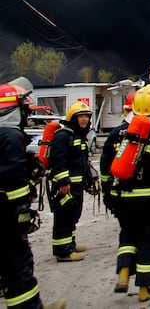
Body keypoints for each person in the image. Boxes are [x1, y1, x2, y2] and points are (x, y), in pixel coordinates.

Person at [0, 81, 66, 309]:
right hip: (7, 216)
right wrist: (22, 212)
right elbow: (13, 181)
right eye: (24, 109)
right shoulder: (10, 136)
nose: (27, 113)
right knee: (18, 265)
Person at [100, 85, 150, 302]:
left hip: (122, 195)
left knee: (127, 233)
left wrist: (107, 192)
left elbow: (105, 165)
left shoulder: (118, 131)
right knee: (149, 238)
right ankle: (146, 287)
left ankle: (123, 272)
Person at [49, 101, 92, 262]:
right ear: (72, 118)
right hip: (65, 186)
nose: (84, 120)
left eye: (86, 117)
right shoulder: (63, 136)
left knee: (73, 215)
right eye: (80, 116)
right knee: (64, 216)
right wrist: (63, 182)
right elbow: (58, 161)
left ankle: (70, 244)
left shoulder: (78, 136)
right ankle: (63, 251)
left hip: (76, 185)